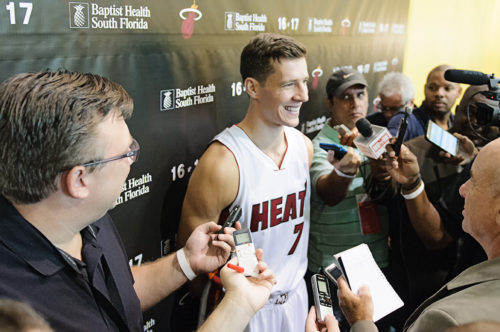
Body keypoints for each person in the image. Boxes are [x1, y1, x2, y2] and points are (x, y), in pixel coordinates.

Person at [0, 70, 276, 332]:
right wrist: (241, 303)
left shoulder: (88, 218)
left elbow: (116, 295)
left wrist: (186, 261)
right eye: (125, 153)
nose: (133, 160)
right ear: (79, 181)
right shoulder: (13, 311)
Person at [177, 32, 312, 332]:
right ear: (252, 87)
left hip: (296, 300)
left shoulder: (304, 146)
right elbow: (194, 264)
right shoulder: (222, 162)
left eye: (304, 81)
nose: (303, 95)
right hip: (241, 310)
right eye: (290, 84)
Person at [336, 137, 500, 331]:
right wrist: (412, 183)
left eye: (473, 180)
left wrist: (361, 322)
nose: (462, 190)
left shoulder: (448, 319)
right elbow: (440, 234)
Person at [306, 68, 392, 331]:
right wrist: (343, 170)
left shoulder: (377, 141)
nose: (355, 103)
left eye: (360, 94)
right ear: (330, 102)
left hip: (376, 265)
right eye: (345, 96)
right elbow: (328, 193)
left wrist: (385, 173)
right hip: (333, 272)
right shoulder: (320, 147)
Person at [387, 65, 461, 141]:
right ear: (425, 89)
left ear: (459, 92)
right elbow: (390, 142)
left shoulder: (460, 127)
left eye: (447, 88)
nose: (439, 94)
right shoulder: (407, 120)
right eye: (432, 88)